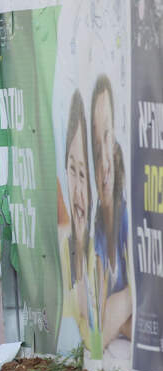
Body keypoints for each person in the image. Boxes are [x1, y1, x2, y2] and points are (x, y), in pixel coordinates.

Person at [56, 90, 101, 357]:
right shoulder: (65, 247)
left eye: (83, 173)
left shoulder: (107, 252)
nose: (77, 190)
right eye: (72, 170)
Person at [90, 75, 132, 350]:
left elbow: (101, 332)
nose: (104, 159)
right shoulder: (98, 227)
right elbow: (97, 325)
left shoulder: (130, 220)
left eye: (108, 137)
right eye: (97, 144)